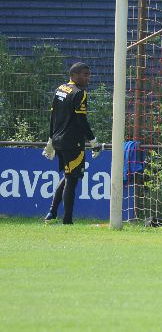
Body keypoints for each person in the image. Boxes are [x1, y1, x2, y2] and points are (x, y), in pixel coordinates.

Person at [42, 62, 102, 224]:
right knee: (72, 179)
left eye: (88, 75)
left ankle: (51, 213)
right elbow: (81, 120)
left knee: (68, 176)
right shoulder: (79, 93)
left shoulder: (60, 89)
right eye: (85, 74)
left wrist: (50, 140)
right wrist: (94, 141)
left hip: (59, 141)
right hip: (73, 143)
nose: (88, 78)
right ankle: (67, 220)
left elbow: (53, 118)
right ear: (74, 75)